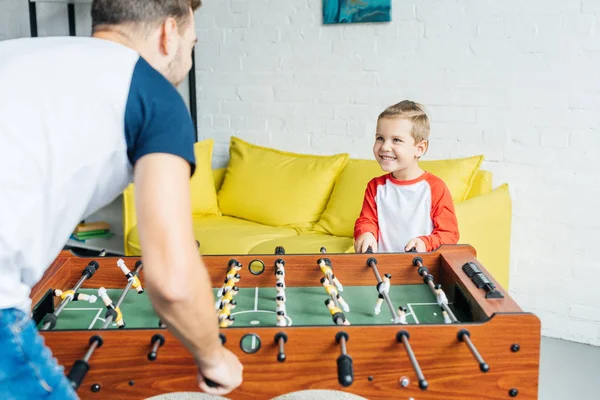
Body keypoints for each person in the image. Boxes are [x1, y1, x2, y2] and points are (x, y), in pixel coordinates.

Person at [0, 1, 243, 398]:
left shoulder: (16, 51)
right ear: (169, 33)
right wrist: (214, 357)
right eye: (192, 45)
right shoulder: (153, 94)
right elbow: (172, 279)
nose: (188, 60)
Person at [354, 100, 459, 254]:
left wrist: (425, 242)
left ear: (419, 148)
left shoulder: (435, 188)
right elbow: (367, 220)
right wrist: (366, 233)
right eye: (380, 138)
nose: (384, 147)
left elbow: (449, 234)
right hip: (381, 269)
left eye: (396, 140)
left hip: (421, 271)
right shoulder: (375, 187)